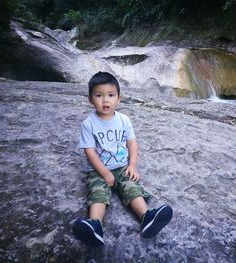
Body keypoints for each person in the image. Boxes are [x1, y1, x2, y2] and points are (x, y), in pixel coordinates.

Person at [73, 71, 173, 247]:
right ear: (90, 99)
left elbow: (132, 144)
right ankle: (95, 225)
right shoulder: (89, 124)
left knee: (131, 187)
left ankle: (147, 217)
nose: (105, 100)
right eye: (99, 95)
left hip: (121, 166)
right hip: (99, 170)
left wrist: (132, 165)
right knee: (98, 192)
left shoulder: (123, 120)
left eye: (111, 95)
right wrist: (104, 173)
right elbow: (90, 152)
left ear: (119, 98)